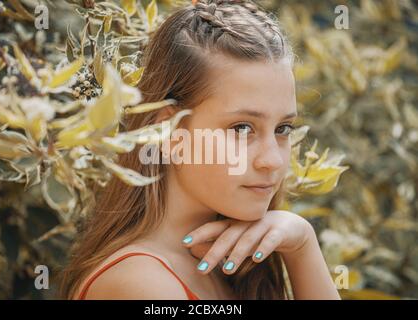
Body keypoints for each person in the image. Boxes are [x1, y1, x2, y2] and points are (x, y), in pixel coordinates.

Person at [59, 0, 341, 300]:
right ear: (170, 132)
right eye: (242, 128)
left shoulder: (228, 268)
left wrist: (302, 246)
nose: (272, 160)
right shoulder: (142, 284)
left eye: (283, 129)